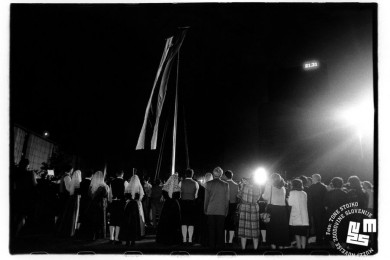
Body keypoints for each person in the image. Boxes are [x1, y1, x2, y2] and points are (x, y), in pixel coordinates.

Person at [204, 167, 229, 249]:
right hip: (221, 210)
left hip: (210, 210)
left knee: (211, 230)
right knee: (220, 230)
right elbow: (226, 200)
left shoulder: (208, 184)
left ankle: (211, 248)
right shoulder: (225, 184)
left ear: (213, 174)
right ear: (221, 174)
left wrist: (205, 209)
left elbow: (206, 199)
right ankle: (220, 248)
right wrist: (226, 211)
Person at [262, 173, 290, 249]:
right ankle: (281, 247)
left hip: (273, 209)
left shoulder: (269, 186)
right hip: (282, 211)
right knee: (281, 229)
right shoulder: (283, 187)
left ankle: (273, 248)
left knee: (272, 229)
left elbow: (265, 197)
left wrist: (263, 193)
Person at [80, 171, 109, 240]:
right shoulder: (103, 186)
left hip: (91, 205)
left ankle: (89, 235)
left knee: (91, 220)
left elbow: (89, 195)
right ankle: (97, 235)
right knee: (98, 220)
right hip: (99, 205)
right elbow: (105, 196)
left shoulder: (91, 186)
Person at [237, 174, 262, 250]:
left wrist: (242, 186)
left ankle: (243, 250)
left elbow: (238, 195)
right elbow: (258, 197)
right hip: (254, 208)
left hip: (244, 208)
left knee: (243, 230)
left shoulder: (244, 186)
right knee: (255, 230)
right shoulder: (258, 187)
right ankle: (255, 250)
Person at [156, 173, 182, 245]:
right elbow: (179, 197)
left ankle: (165, 238)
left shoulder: (165, 187)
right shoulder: (177, 188)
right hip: (175, 205)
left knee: (166, 220)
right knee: (175, 221)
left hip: (167, 205)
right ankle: (174, 238)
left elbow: (164, 195)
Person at [119, 174, 144, 246]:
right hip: (135, 205)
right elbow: (141, 196)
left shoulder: (128, 187)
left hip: (129, 205)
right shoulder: (139, 187)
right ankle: (133, 239)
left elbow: (125, 195)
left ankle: (127, 240)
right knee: (134, 222)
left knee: (127, 222)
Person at [179, 168, 199, 245]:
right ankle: (190, 239)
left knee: (184, 221)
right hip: (192, 204)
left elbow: (179, 194)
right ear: (192, 174)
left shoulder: (181, 182)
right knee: (191, 222)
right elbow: (196, 196)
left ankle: (184, 239)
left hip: (183, 203)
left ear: (185, 174)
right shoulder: (196, 183)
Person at [288, 179, 309, 250]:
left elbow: (290, 203)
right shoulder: (304, 193)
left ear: (293, 185)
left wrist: (287, 199)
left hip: (296, 216)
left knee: (297, 234)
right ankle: (303, 248)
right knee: (303, 234)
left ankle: (299, 248)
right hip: (304, 217)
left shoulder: (292, 192)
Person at [307, 173, 327, 245]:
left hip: (314, 209)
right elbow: (325, 199)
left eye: (312, 178)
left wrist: (310, 210)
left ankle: (318, 239)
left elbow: (309, 200)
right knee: (321, 224)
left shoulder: (311, 188)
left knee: (316, 224)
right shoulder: (323, 187)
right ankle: (322, 237)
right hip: (322, 209)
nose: (312, 180)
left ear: (315, 179)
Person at [108, 171, 126, 244]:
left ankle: (111, 238)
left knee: (112, 220)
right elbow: (126, 192)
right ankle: (117, 238)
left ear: (116, 174)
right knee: (119, 220)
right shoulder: (125, 182)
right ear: (122, 174)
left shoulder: (112, 182)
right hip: (121, 202)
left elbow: (110, 193)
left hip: (113, 202)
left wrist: (110, 201)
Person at [224, 170, 239, 246]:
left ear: (225, 176)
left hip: (224, 205)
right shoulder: (236, 185)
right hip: (233, 205)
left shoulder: (224, 184)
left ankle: (225, 240)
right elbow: (238, 196)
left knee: (225, 223)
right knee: (232, 223)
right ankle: (230, 241)